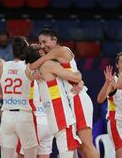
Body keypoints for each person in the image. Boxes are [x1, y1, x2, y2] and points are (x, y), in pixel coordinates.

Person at [30, 28, 99, 158]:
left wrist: (34, 67)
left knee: (87, 144)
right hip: (72, 99)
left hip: (78, 98)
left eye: (44, 42)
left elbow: (33, 65)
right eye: (40, 43)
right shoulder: (53, 57)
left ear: (54, 40)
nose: (42, 46)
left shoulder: (58, 51)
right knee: (81, 146)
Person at [22, 44, 83, 158]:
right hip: (62, 116)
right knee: (67, 151)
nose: (43, 46)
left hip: (52, 116)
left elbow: (27, 69)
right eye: (39, 46)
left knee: (72, 152)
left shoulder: (35, 69)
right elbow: (76, 78)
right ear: (40, 53)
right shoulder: (48, 64)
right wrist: (78, 73)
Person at [0, 36, 39, 158]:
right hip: (23, 114)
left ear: (12, 51)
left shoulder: (2, 66)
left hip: (7, 115)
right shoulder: (29, 67)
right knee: (31, 154)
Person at [97, 53, 122, 158]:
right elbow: (100, 99)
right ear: (117, 65)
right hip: (117, 122)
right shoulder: (113, 80)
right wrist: (107, 83)